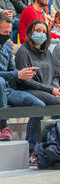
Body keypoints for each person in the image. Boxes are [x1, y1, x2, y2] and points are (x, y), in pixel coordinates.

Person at [15, 19, 60, 148]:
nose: (41, 34)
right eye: (38, 31)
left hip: (49, 89)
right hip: (30, 89)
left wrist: (56, 88)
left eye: (44, 32)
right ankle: (57, 141)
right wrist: (51, 90)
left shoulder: (47, 52)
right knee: (57, 103)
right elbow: (26, 81)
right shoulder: (22, 51)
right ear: (30, 33)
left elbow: (54, 75)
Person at [0, 13, 45, 145]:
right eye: (4, 32)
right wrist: (16, 75)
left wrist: (22, 73)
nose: (7, 35)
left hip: (8, 90)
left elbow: (11, 69)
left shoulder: (8, 45)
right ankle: (2, 127)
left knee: (39, 105)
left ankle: (31, 147)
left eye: (9, 32)